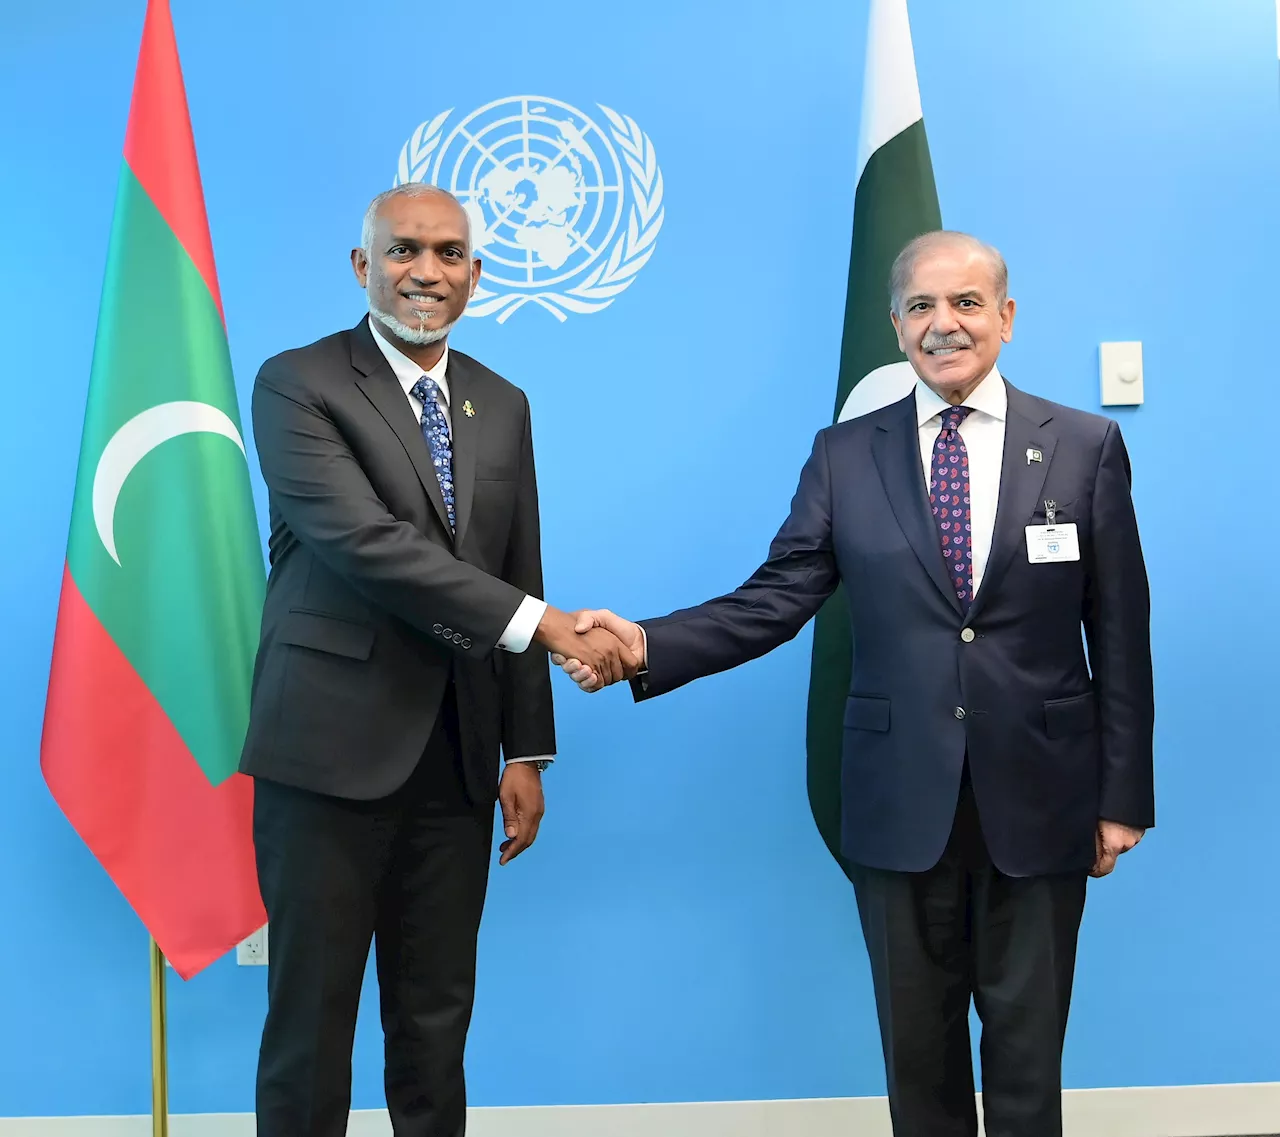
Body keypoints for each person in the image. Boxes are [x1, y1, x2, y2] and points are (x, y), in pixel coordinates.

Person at [555, 231, 1154, 1137]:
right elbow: (776, 599)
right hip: (898, 799)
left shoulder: (1082, 444)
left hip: (1044, 796)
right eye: (921, 306)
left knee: (1030, 1060)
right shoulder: (844, 454)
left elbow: (1119, 634)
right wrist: (643, 644)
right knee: (918, 1062)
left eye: (965, 303)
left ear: (1007, 316)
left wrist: (1123, 797)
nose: (943, 324)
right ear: (896, 324)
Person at [240, 182, 635, 1137]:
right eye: (406, 250)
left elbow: (517, 561)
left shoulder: (500, 400)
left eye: (450, 254)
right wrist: (549, 627)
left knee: (434, 1026)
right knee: (311, 1026)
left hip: (457, 760)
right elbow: (370, 546)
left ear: (477, 272)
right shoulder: (298, 383)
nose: (428, 272)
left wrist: (526, 749)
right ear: (362, 264)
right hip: (327, 759)